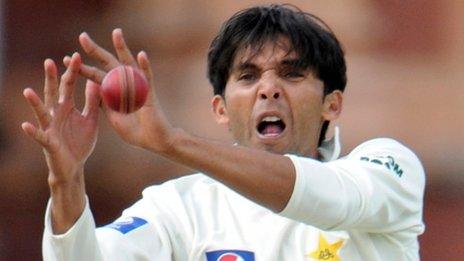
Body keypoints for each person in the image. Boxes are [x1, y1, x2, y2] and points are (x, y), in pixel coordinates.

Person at [22, 4, 425, 261]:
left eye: (291, 73)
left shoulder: (388, 169)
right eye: (248, 77)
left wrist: (174, 142)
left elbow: (325, 198)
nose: (269, 88)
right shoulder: (180, 207)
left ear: (332, 104)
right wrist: (67, 180)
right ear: (220, 109)